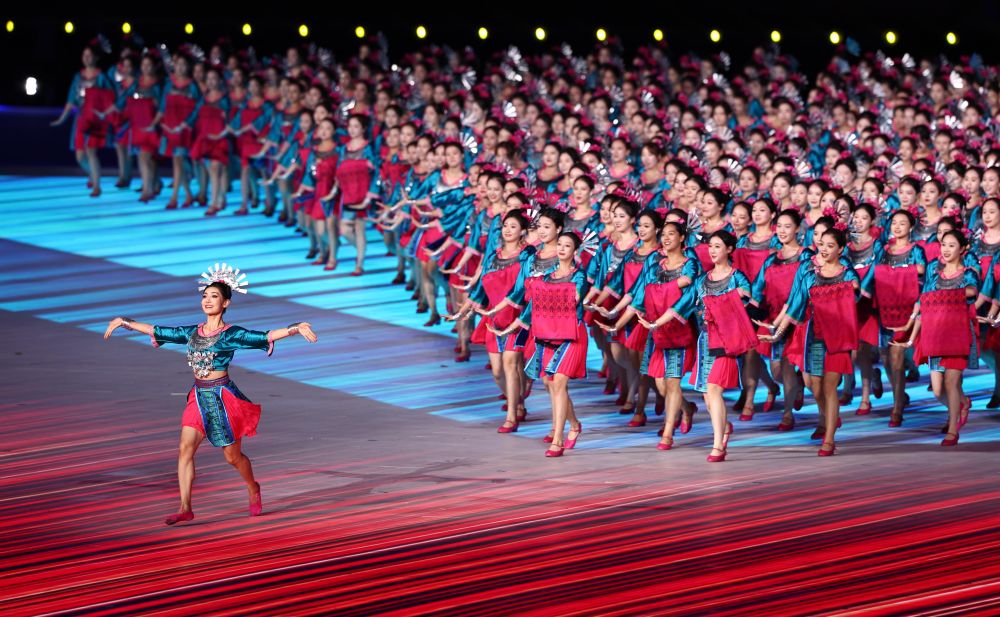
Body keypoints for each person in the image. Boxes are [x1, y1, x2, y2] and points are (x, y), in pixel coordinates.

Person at [103, 263, 318, 524]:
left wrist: (294, 328)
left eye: (214, 296)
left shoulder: (232, 334)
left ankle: (253, 487)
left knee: (232, 457)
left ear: (225, 303)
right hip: (198, 397)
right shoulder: (192, 332)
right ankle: (185, 507)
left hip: (222, 400)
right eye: (205, 295)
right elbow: (159, 330)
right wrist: (125, 322)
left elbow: (264, 336)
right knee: (185, 449)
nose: (207, 300)